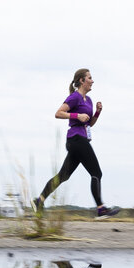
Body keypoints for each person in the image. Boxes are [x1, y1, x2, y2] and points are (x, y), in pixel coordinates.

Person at [33, 69, 120, 219]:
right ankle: (101, 209)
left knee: (62, 176)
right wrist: (77, 115)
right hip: (76, 139)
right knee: (96, 173)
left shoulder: (89, 100)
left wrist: (98, 112)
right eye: (90, 78)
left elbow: (89, 123)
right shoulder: (74, 97)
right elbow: (58, 113)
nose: (92, 81)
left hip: (81, 139)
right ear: (81, 80)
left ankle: (39, 200)